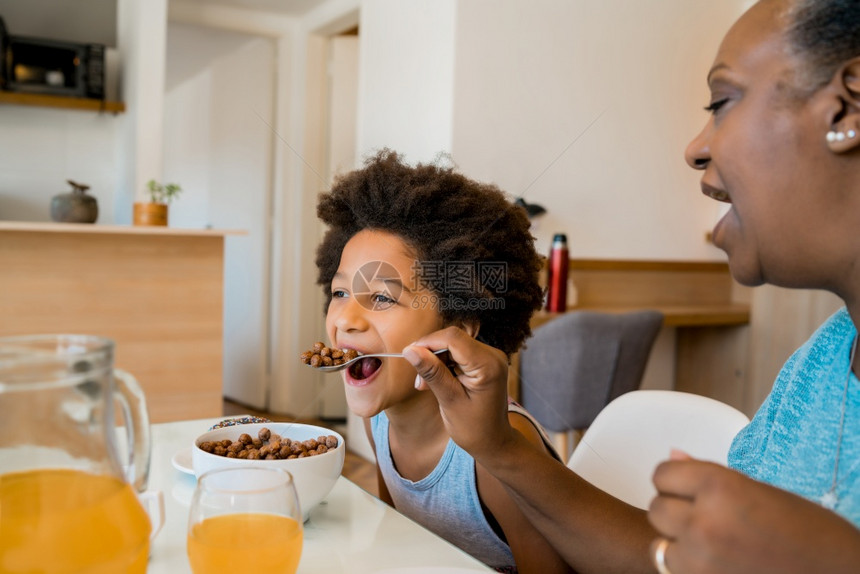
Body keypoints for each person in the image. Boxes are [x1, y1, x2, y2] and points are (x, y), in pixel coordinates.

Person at [401, 0, 860, 572]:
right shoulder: (818, 365)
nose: (695, 147)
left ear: (847, 106)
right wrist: (496, 447)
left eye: (722, 102)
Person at [313, 150, 572, 573]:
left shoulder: (499, 450)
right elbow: (393, 533)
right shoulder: (379, 418)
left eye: (381, 297)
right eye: (340, 293)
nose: (344, 319)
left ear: (458, 328)